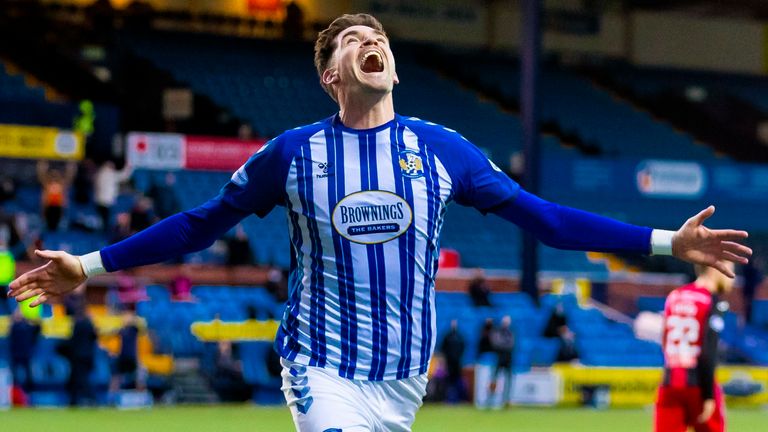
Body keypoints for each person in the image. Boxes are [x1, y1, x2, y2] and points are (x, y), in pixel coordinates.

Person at [7, 13, 752, 431]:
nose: (373, 44)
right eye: (353, 42)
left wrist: (666, 243)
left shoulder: (443, 151)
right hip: (320, 366)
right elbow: (198, 226)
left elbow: (547, 220)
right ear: (330, 75)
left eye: (380, 39)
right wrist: (92, 265)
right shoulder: (292, 155)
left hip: (402, 382)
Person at [654, 262, 734, 432]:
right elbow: (708, 351)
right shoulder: (712, 301)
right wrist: (709, 396)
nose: (732, 279)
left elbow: (664, 339)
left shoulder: (674, 296)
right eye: (730, 270)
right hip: (699, 384)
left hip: (670, 383)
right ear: (715, 268)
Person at [37, 160, 76, 231]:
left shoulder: (47, 186)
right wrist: (71, 166)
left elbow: (41, 175)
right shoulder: (61, 186)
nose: (54, 176)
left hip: (52, 206)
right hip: (54, 207)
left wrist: (42, 164)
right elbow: (70, 176)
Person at [8, 309, 40, 396]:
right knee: (14, 376)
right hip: (16, 354)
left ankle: (29, 393)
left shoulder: (27, 327)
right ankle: (16, 393)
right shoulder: (15, 327)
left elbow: (37, 329)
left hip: (25, 354)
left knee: (28, 375)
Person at [94, 160, 133, 231]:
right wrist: (129, 166)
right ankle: (107, 231)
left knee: (104, 219)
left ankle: (104, 230)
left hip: (99, 200)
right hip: (107, 201)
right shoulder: (109, 173)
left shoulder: (99, 173)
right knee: (108, 220)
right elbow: (124, 176)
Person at [439, 319, 466, 402]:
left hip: (457, 362)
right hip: (449, 362)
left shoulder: (460, 336)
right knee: (448, 381)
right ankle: (447, 398)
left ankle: (458, 398)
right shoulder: (447, 336)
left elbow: (463, 348)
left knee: (457, 381)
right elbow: (443, 348)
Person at [489, 315, 514, 400]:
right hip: (498, 358)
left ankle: (506, 399)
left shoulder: (510, 332)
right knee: (494, 378)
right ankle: (490, 398)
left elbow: (511, 344)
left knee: (508, 380)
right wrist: (505, 344)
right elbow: (496, 343)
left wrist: (504, 344)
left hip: (508, 358)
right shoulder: (497, 331)